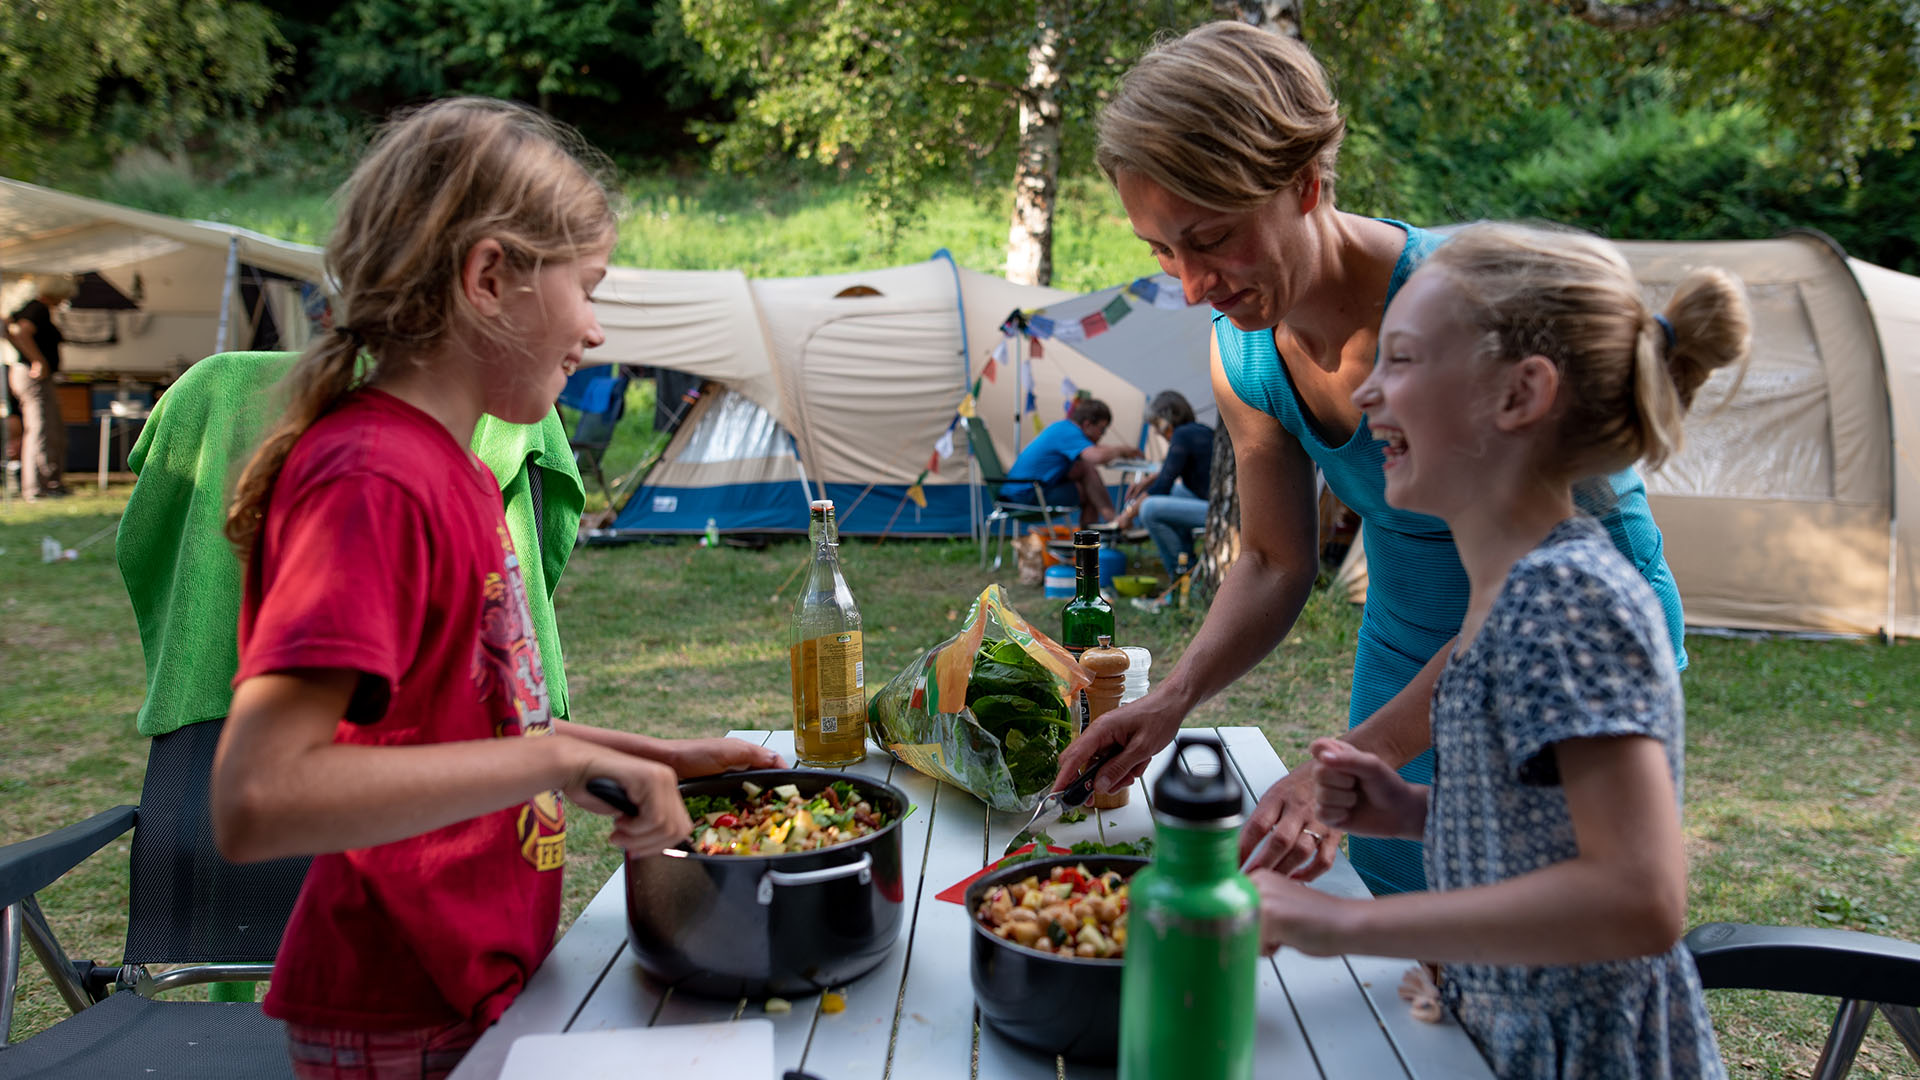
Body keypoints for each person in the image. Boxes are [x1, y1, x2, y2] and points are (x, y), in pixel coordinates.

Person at [209, 98, 783, 1078]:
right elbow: (257, 797)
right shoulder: (373, 479)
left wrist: (649, 755)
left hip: (473, 981)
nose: (595, 331)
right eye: (587, 289)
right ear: (488, 280)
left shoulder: (459, 470)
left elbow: (461, 724)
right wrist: (557, 758)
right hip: (400, 1007)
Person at [1052, 21, 1689, 898]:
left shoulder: (1475, 305)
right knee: (1402, 893)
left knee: (1529, 908)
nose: (1193, 286)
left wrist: (1368, 748)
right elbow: (1273, 559)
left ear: (1306, 184)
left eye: (1213, 238)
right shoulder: (1243, 349)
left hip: (1557, 659)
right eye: (1162, 251)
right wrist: (1171, 699)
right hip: (1406, 640)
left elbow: (1564, 585)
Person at [1253, 222, 1746, 1077]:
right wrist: (1411, 812)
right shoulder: (1507, 592)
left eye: (1403, 361)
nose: (1366, 391)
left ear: (1521, 394)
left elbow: (1639, 897)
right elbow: (1547, 833)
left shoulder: (1569, 600)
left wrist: (1341, 924)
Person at [1113, 389, 1212, 597]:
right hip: (1211, 502)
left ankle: (1181, 575)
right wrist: (1148, 480)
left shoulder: (1182, 434)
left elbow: (1162, 487)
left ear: (1166, 419)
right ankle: (1187, 559)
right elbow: (1171, 470)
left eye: (1156, 424)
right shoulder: (1199, 430)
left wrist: (1127, 516)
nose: (1157, 432)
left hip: (1215, 511)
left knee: (1150, 508)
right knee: (1175, 492)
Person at [1000, 397, 1142, 525]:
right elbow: (1097, 457)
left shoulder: (1063, 428)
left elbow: (1095, 453)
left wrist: (1119, 451)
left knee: (1084, 470)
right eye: (1102, 430)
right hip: (1024, 497)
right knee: (1089, 489)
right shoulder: (1069, 432)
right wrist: (1120, 450)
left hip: (1021, 492)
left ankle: (1111, 523)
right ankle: (1109, 526)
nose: (1102, 435)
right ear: (1087, 424)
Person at [6, 273, 77, 499]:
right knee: (41, 430)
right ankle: (36, 487)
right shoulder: (37, 309)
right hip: (32, 377)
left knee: (50, 429)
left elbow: (9, 328)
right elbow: (21, 332)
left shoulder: (31, 308)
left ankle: (50, 482)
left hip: (28, 375)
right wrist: (37, 360)